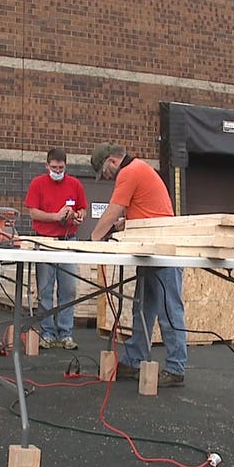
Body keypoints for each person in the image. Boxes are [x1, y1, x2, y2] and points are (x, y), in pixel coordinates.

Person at [89, 142, 186, 388]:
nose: (107, 178)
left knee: (169, 309)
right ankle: (135, 359)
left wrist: (93, 240)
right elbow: (146, 210)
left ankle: (176, 368)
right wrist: (127, 223)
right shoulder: (139, 169)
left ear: (112, 161)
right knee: (142, 308)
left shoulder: (129, 172)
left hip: (163, 250)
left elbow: (113, 210)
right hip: (150, 249)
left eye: (105, 172)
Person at [24, 148, 88, 350]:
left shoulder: (75, 184)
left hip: (68, 240)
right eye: (54, 167)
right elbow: (33, 212)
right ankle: (48, 333)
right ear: (47, 166)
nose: (58, 171)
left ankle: (66, 332)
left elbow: (83, 208)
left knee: (68, 288)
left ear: (66, 166)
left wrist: (78, 215)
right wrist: (55, 217)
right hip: (45, 241)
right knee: (45, 289)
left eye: (61, 168)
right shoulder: (38, 183)